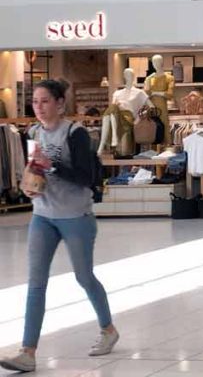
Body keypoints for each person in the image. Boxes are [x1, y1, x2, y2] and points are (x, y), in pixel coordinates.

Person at [0, 80, 118, 374]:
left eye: (45, 102)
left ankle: (108, 329)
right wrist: (31, 186)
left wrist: (50, 164)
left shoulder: (75, 133)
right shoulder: (33, 132)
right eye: (35, 102)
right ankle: (28, 351)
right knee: (36, 284)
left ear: (60, 104)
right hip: (43, 215)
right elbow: (35, 169)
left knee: (84, 276)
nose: (38, 108)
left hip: (76, 215)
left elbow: (83, 176)